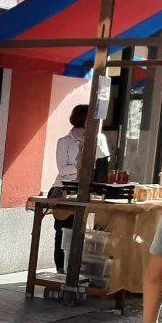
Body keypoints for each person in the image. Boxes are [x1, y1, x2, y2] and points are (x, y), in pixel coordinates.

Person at [50, 104, 111, 273]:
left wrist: (96, 142)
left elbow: (103, 164)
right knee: (64, 230)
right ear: (82, 119)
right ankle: (62, 267)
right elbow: (63, 170)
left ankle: (88, 268)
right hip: (64, 189)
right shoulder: (65, 142)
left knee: (96, 229)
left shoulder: (99, 138)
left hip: (90, 190)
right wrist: (83, 168)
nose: (95, 122)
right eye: (92, 118)